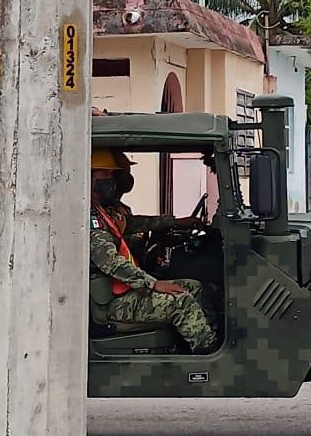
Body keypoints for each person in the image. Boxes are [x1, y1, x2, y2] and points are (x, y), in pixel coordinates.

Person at [88, 149, 217, 353]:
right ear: (91, 178)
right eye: (107, 175)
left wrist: (174, 221)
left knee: (193, 287)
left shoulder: (107, 211)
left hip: (127, 290)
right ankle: (209, 358)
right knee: (181, 302)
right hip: (113, 303)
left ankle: (209, 344)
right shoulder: (90, 217)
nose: (112, 181)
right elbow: (112, 263)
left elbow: (135, 223)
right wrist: (153, 284)